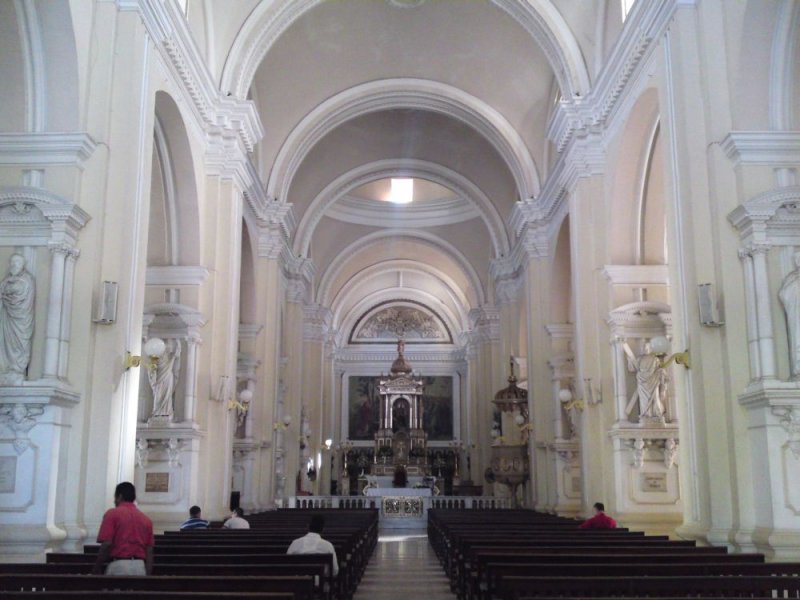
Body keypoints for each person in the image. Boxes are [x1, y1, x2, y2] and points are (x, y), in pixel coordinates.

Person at [93, 482, 154, 575]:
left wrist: (97, 567)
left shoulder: (112, 514)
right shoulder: (146, 520)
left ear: (120, 496)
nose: (114, 501)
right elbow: (149, 551)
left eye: (115, 498)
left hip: (118, 565)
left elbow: (107, 544)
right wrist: (147, 575)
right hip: (139, 566)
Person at [0, 253, 35, 385]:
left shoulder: (27, 280)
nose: (14, 265)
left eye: (17, 263)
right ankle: (6, 367)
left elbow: (19, 292)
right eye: (12, 263)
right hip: (7, 318)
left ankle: (17, 368)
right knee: (5, 341)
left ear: (23, 266)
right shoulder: (6, 280)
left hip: (21, 320)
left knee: (19, 342)